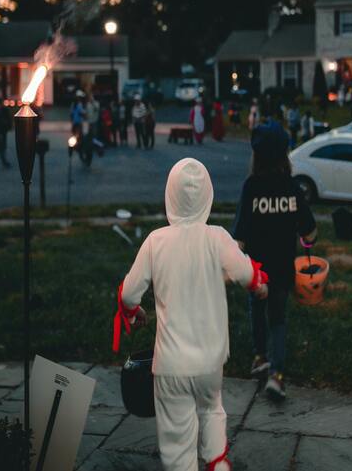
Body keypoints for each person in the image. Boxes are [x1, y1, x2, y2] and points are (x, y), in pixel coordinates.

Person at [114, 158, 268, 471]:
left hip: (171, 365)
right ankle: (217, 463)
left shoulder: (156, 242)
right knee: (212, 411)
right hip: (210, 361)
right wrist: (260, 284)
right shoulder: (217, 237)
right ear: (208, 196)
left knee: (177, 436)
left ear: (169, 195)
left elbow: (129, 293)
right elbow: (246, 273)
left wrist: (133, 310)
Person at [232, 124, 317, 400]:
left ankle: (259, 357)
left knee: (256, 310)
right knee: (278, 319)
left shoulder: (251, 187)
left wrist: (235, 263)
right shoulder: (292, 188)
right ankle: (276, 376)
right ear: (284, 156)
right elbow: (309, 230)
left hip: (256, 270)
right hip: (282, 269)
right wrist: (307, 242)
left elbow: (240, 237)